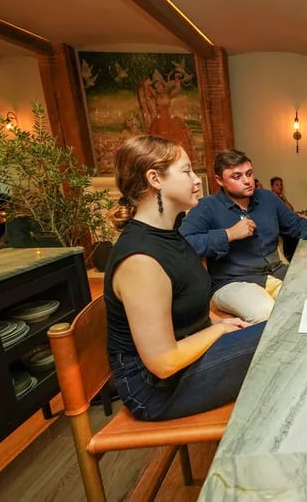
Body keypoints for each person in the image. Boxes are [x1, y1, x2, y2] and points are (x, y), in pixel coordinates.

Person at [104, 135, 263, 421]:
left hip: (180, 365)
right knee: (284, 335)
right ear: (155, 178)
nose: (197, 179)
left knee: (281, 328)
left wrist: (218, 321)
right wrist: (218, 331)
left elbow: (180, 310)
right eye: (187, 171)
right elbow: (163, 363)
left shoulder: (170, 236)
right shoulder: (141, 259)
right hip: (156, 389)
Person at [179, 149, 307, 323]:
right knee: (266, 313)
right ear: (219, 180)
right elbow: (183, 243)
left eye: (249, 174)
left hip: (276, 272)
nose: (246, 181)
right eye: (236, 177)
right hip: (231, 282)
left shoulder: (267, 198)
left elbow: (294, 223)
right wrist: (229, 234)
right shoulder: (206, 207)